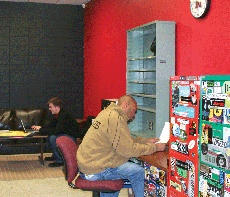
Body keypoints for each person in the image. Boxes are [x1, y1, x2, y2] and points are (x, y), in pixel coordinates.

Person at [77, 95, 167, 197]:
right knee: (139, 172)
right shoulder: (115, 118)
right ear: (125, 105)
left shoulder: (107, 113)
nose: (134, 115)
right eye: (134, 110)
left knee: (121, 167)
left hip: (89, 164)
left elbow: (123, 140)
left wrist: (145, 141)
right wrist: (156, 147)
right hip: (95, 169)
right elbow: (128, 150)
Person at [32, 97, 80, 167]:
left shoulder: (63, 116)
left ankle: (60, 160)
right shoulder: (58, 115)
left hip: (71, 138)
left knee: (53, 138)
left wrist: (41, 130)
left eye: (50, 107)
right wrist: (40, 127)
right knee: (50, 137)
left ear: (57, 107)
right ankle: (55, 156)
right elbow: (50, 126)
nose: (49, 109)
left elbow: (56, 131)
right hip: (64, 135)